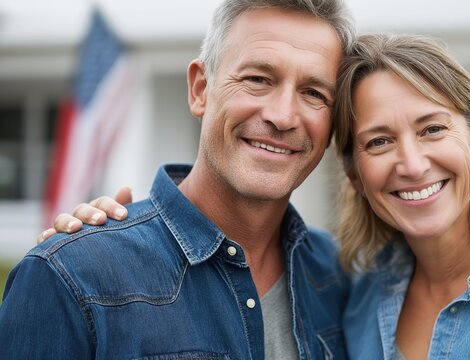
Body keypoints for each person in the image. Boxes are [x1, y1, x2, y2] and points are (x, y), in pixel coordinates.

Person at [37, 34, 470, 359]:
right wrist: (87, 247)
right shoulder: (354, 291)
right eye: (379, 141)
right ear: (351, 170)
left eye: (433, 128)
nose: (411, 163)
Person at [0, 0, 355, 358]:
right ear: (200, 89)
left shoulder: (342, 276)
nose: (282, 116)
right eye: (257, 79)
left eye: (313, 93)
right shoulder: (72, 276)